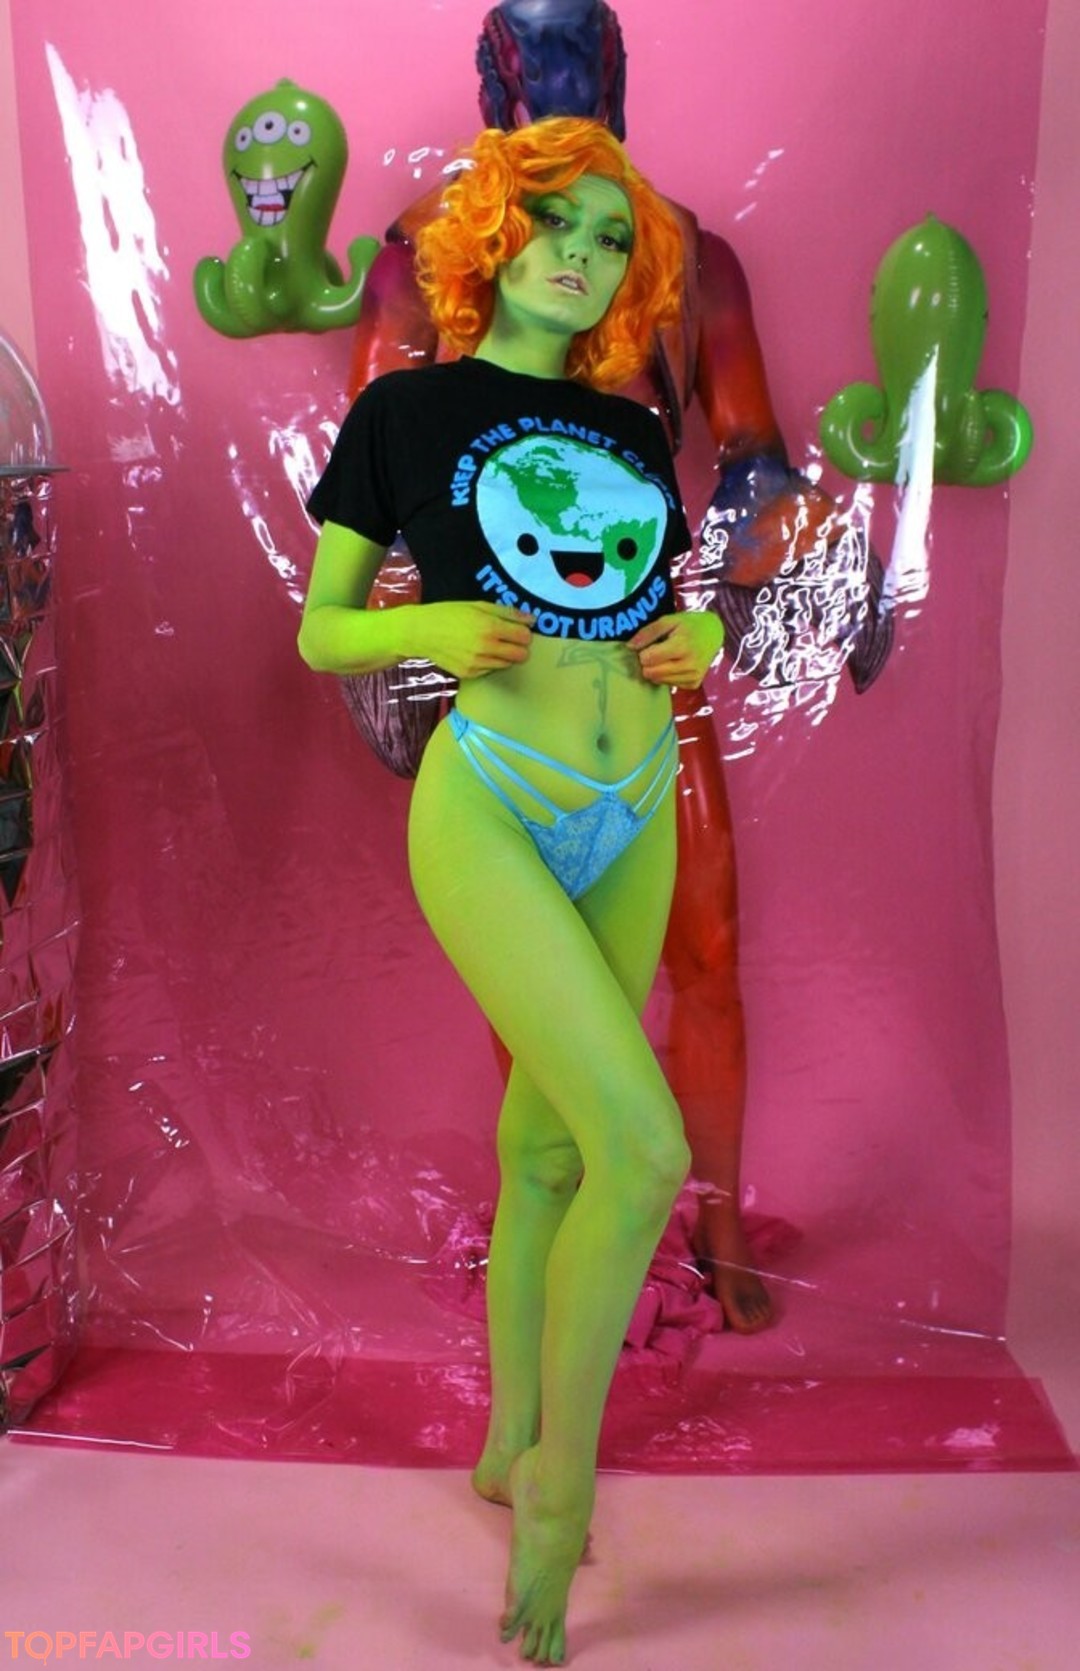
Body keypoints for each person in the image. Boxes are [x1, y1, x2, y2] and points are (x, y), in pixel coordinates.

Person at [300, 115, 722, 1667]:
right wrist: (424, 629)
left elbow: (654, 611)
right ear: (494, 232)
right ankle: (559, 1495)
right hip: (491, 799)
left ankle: (505, 1442)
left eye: (613, 238)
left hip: (636, 802)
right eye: (557, 222)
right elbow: (320, 631)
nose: (582, 256)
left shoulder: (629, 429)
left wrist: (705, 639)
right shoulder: (407, 412)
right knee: (645, 1146)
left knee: (548, 1154)